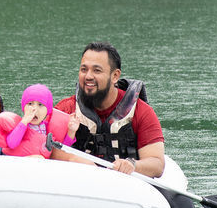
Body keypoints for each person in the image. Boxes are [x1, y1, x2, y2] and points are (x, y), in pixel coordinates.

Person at [54, 41, 166, 178]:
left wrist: (132, 165)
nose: (88, 76)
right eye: (84, 69)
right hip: (78, 181)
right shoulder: (65, 109)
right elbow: (47, 151)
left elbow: (157, 164)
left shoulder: (141, 111)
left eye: (97, 70)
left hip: (127, 185)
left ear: (115, 76)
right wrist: (74, 159)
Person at [0, 84, 75, 158]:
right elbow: (11, 144)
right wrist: (24, 122)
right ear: (23, 107)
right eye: (30, 104)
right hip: (20, 164)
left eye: (40, 105)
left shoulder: (48, 128)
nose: (34, 109)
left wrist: (71, 131)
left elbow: (61, 150)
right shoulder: (20, 126)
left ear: (48, 110)